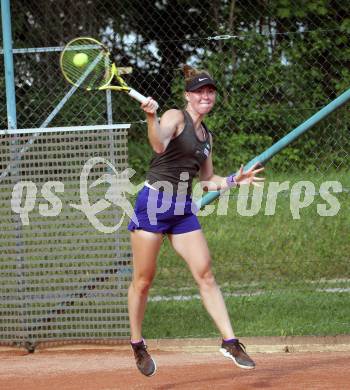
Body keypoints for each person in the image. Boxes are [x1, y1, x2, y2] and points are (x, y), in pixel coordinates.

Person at [127, 65, 264, 377]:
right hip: (153, 204)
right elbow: (159, 144)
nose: (206, 95)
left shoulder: (206, 137)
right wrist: (151, 116)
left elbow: (207, 179)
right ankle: (137, 343)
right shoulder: (176, 116)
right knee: (144, 280)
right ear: (188, 96)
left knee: (206, 274)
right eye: (199, 91)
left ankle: (230, 341)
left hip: (181, 209)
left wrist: (233, 179)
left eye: (210, 91)